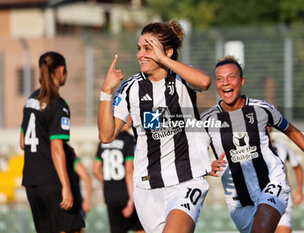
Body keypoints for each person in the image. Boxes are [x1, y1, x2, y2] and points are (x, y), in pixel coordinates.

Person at [97, 19, 212, 233]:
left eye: (148, 49)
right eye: (139, 48)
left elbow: (204, 82)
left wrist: (163, 59)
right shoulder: (130, 87)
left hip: (186, 182)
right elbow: (106, 135)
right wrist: (106, 92)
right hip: (147, 188)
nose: (140, 54)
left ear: (167, 52)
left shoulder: (181, 78)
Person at [201, 56, 304, 233]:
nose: (225, 83)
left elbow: (290, 129)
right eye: (219, 79)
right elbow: (194, 153)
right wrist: (206, 166)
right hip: (238, 200)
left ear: (241, 81)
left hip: (271, 183)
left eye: (231, 77)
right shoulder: (207, 120)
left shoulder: (262, 109)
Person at [20, 51, 85, 233]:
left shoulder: (30, 100)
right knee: (74, 229)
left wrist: (62, 146)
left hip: (32, 184)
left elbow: (23, 142)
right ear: (61, 70)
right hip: (52, 181)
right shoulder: (59, 105)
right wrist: (66, 187)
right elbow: (56, 148)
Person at [93, 116, 144, 233]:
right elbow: (129, 170)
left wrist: (108, 183)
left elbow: (95, 170)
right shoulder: (130, 140)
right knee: (140, 229)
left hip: (110, 195)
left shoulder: (104, 140)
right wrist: (132, 199)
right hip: (126, 193)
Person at [267, 126, 304, 233]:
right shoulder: (252, 150)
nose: (266, 128)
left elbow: (298, 167)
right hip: (260, 199)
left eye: (268, 125)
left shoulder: (283, 148)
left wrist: (300, 190)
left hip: (282, 198)